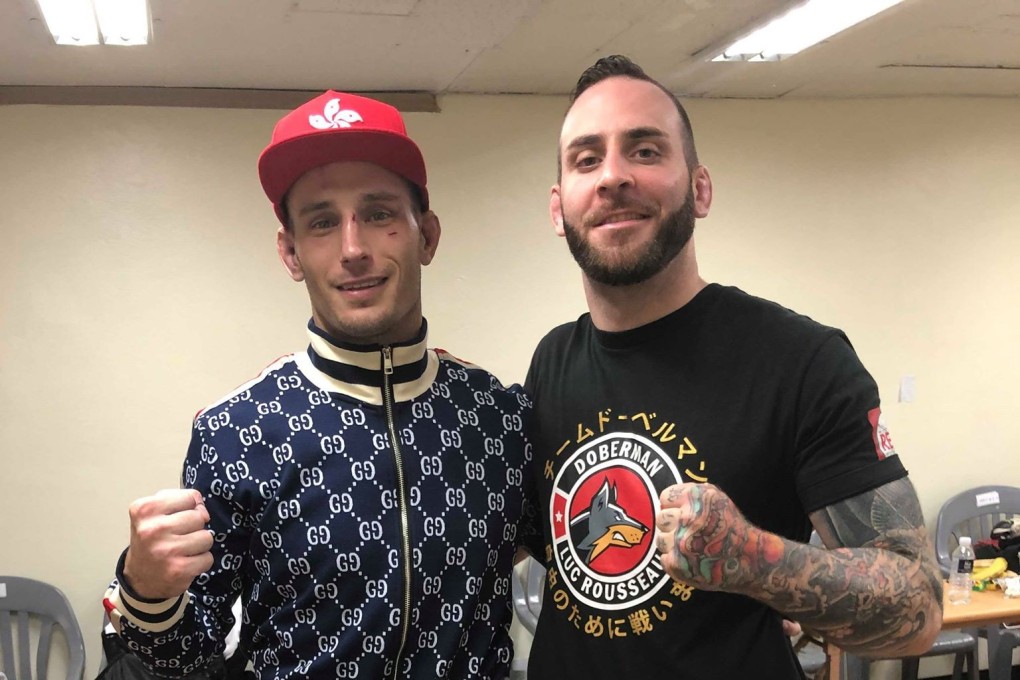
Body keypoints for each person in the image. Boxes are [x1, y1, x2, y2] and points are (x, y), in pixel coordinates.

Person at [522, 55, 943, 679]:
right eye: (587, 159)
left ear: (699, 189)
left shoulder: (801, 360)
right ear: (560, 210)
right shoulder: (552, 359)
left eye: (644, 151)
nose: (612, 176)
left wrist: (756, 561)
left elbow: (920, 607)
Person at [103, 90, 536, 680]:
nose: (353, 249)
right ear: (291, 252)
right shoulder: (235, 433)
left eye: (379, 213)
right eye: (322, 222)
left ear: (426, 236)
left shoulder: (497, 418)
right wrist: (146, 591)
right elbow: (184, 653)